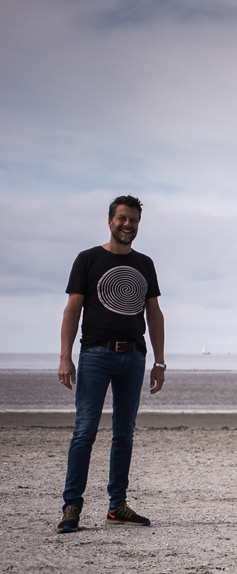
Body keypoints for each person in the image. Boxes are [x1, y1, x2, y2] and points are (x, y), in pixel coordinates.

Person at [56, 195, 165, 533]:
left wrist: (159, 361)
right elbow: (73, 309)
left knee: (124, 434)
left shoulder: (144, 263)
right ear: (110, 220)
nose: (127, 225)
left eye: (132, 220)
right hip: (95, 355)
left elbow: (154, 313)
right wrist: (65, 356)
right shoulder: (88, 259)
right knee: (84, 431)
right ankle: (72, 507)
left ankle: (117, 506)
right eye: (122, 218)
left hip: (134, 356)